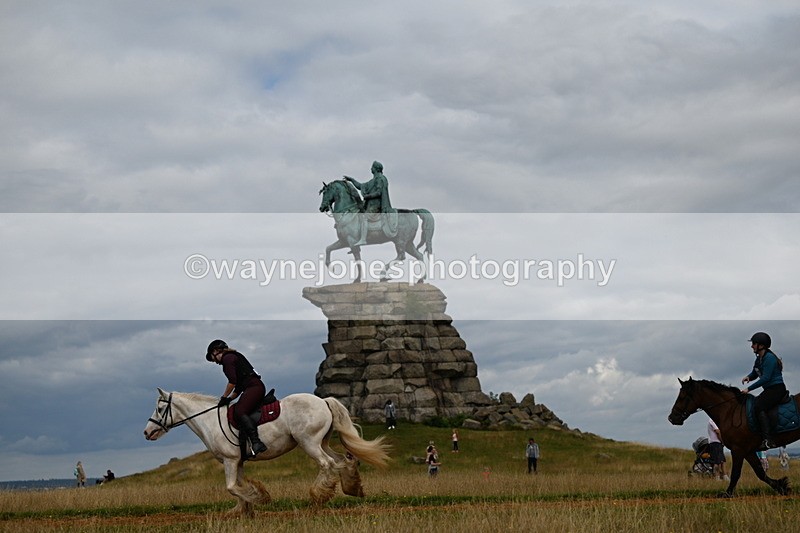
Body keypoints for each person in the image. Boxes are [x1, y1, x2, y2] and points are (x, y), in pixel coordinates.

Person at [206, 339, 268, 459]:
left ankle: (256, 442)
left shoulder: (227, 359)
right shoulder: (233, 356)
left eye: (212, 357)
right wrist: (230, 399)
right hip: (253, 387)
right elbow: (239, 386)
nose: (215, 362)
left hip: (254, 387)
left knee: (239, 411)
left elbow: (232, 382)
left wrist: (224, 397)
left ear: (215, 351)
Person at [741, 332, 786, 450]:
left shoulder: (769, 358)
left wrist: (749, 388)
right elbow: (755, 373)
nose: (752, 346)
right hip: (769, 389)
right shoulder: (759, 359)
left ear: (761, 345)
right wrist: (749, 377)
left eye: (754, 344)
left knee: (759, 406)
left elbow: (766, 378)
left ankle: (768, 439)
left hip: (776, 389)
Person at [343, 160, 398, 245]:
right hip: (371, 205)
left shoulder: (380, 178)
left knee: (363, 217)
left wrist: (368, 196)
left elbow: (379, 192)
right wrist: (352, 180)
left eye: (372, 167)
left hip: (377, 206)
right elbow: (361, 186)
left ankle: (363, 239)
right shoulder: (373, 180)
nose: (370, 169)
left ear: (375, 169)